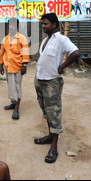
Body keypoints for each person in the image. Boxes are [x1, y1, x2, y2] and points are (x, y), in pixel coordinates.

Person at [34, 13, 80, 163]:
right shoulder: (46, 40)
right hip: (40, 80)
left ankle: (54, 147)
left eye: (46, 24)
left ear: (54, 24)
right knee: (46, 111)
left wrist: (62, 66)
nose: (43, 26)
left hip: (52, 82)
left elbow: (76, 53)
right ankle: (49, 136)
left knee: (54, 113)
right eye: (42, 24)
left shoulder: (62, 39)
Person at [0, 18, 29, 120]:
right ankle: (13, 103)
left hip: (18, 67)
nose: (11, 27)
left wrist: (24, 65)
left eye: (14, 25)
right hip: (8, 67)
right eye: (10, 25)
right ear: (8, 26)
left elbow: (25, 52)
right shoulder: (5, 39)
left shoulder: (22, 38)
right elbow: (2, 52)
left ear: (17, 26)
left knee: (17, 87)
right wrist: (1, 65)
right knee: (11, 86)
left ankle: (16, 108)